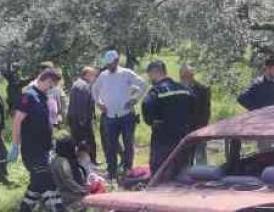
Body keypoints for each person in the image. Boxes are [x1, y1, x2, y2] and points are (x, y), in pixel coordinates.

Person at [9, 69, 67, 212]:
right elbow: (17, 121)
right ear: (47, 80)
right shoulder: (29, 96)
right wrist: (15, 144)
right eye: (52, 84)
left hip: (43, 149)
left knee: (36, 184)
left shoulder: (42, 96)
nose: (52, 88)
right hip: (32, 151)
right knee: (48, 182)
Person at [92, 50, 147, 180]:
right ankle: (112, 171)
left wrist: (135, 99)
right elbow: (94, 90)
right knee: (110, 145)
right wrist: (99, 103)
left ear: (116, 61)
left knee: (128, 143)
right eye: (107, 64)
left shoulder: (126, 74)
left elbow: (143, 84)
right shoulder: (103, 76)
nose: (109, 66)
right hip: (110, 116)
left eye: (111, 63)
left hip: (126, 115)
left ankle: (128, 169)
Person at [141, 61, 198, 173]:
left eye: (150, 75)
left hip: (162, 138)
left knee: (160, 172)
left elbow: (147, 105)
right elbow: (194, 105)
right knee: (182, 172)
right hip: (183, 137)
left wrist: (152, 121)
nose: (150, 79)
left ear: (155, 72)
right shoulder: (183, 89)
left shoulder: (156, 90)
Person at [67, 67, 99, 164]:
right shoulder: (84, 86)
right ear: (87, 75)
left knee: (78, 142)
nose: (95, 77)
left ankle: (81, 162)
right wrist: (83, 121)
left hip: (74, 120)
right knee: (88, 142)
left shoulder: (77, 84)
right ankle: (91, 162)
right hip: (82, 121)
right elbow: (82, 105)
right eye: (93, 75)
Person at [50, 136, 89, 206]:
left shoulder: (57, 159)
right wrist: (82, 190)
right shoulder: (62, 162)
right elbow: (68, 181)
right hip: (63, 194)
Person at [179, 64, 211, 131]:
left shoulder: (202, 89)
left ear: (192, 75)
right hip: (180, 127)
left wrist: (202, 127)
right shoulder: (175, 88)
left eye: (188, 75)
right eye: (183, 76)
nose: (185, 78)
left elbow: (205, 110)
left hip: (196, 126)